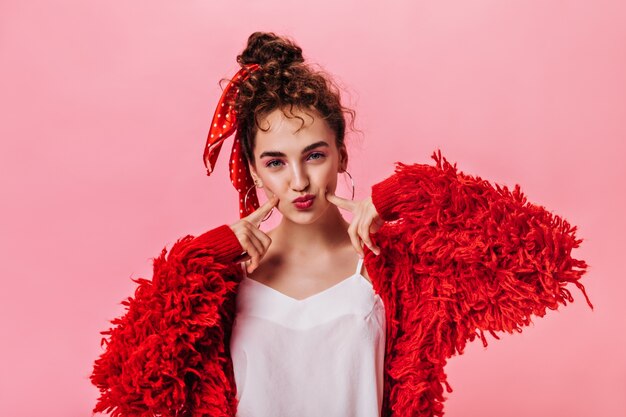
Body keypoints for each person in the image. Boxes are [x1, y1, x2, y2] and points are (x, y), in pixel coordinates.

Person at [90, 32, 593, 417]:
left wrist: (406, 194)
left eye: (314, 155)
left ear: (340, 153)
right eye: (275, 162)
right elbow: (131, 388)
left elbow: (545, 261)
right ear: (251, 166)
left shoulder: (392, 266)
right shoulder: (221, 285)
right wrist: (197, 263)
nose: (300, 181)